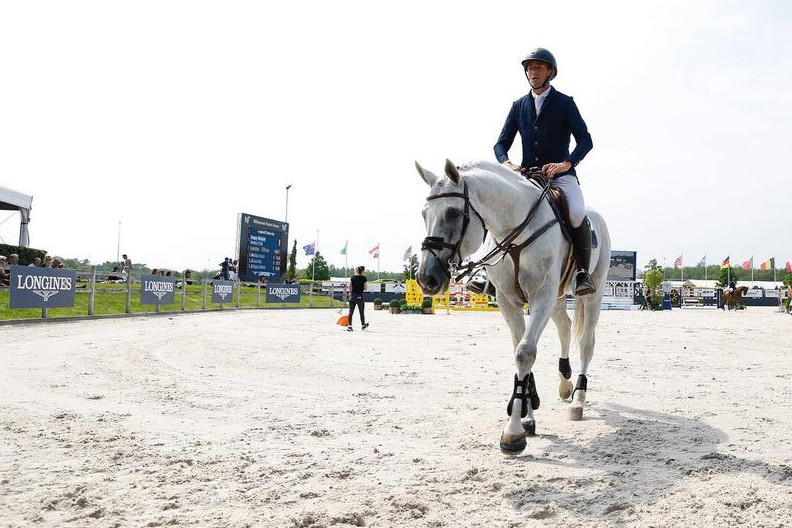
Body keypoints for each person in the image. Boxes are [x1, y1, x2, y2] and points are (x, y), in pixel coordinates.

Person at [493, 47, 596, 296]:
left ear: (551, 72)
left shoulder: (565, 103)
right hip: (527, 176)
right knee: (497, 209)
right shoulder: (518, 106)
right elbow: (500, 144)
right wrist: (507, 164)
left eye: (538, 67)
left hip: (561, 177)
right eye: (529, 68)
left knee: (576, 212)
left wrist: (566, 163)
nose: (533, 72)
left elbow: (585, 140)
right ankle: (489, 273)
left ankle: (582, 272)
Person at [347, 265, 369, 331]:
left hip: (353, 296)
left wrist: (350, 292)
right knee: (361, 312)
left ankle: (349, 326)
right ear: (362, 271)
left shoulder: (352, 278)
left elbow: (349, 287)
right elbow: (365, 288)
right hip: (360, 296)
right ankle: (363, 325)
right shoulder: (364, 278)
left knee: (351, 311)